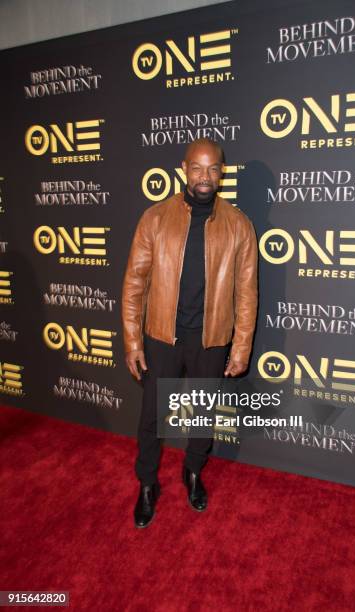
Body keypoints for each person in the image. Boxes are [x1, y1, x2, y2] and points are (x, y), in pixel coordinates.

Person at [121, 138, 258, 528]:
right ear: (184, 169)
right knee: (152, 418)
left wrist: (241, 345)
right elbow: (134, 283)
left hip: (210, 339)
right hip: (162, 336)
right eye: (197, 168)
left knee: (202, 415)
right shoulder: (155, 218)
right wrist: (133, 341)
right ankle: (147, 483)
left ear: (222, 172)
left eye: (212, 168)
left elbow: (247, 293)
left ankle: (193, 471)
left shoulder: (239, 225)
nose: (205, 176)